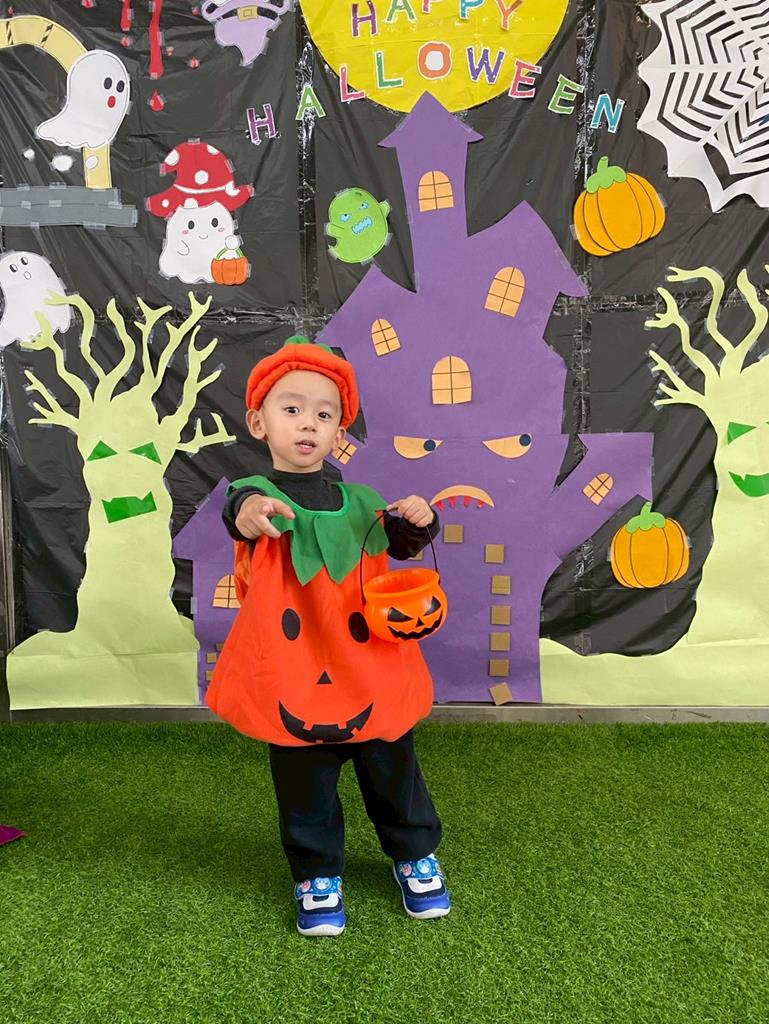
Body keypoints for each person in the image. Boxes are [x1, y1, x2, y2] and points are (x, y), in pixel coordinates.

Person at [206, 336, 451, 937]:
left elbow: (402, 544)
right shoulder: (255, 496)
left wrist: (419, 521)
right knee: (304, 784)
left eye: (324, 414)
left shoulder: (364, 501)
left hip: (370, 669)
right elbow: (240, 509)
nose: (308, 424)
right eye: (291, 409)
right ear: (258, 423)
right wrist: (250, 511)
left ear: (340, 432)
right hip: (295, 677)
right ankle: (316, 872)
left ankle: (414, 853)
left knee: (395, 771)